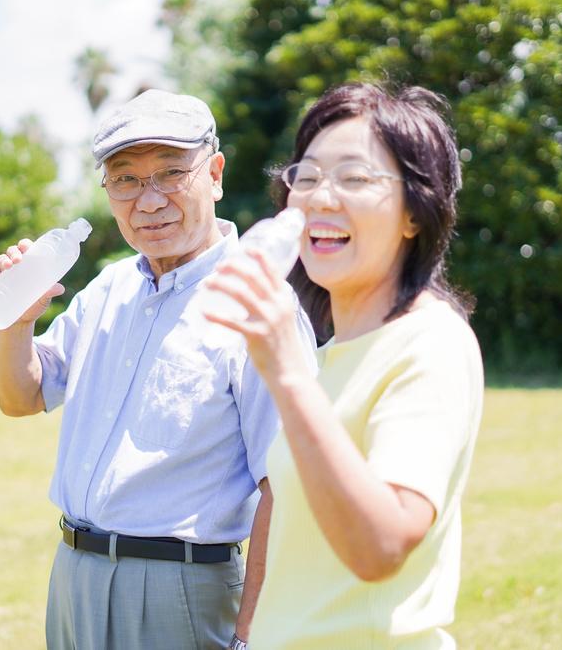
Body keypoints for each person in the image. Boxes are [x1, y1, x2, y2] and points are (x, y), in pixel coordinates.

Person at [0, 89, 316, 650]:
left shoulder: (259, 303)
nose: (150, 200)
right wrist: (14, 324)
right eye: (127, 180)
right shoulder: (108, 288)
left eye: (170, 173)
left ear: (213, 174)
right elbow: (22, 396)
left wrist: (248, 640)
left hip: (183, 592)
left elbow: (287, 489)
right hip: (73, 577)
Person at [204, 82, 484, 649]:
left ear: (415, 212)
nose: (320, 198)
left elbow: (381, 546)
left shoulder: (431, 344)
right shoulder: (328, 356)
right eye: (305, 177)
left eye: (355, 178)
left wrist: (285, 374)